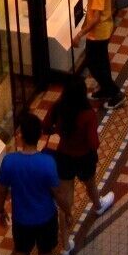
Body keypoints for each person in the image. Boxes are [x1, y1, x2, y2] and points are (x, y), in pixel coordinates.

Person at [0, 113, 65, 255]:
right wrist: (68, 211)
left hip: (22, 219)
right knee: (45, 251)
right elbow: (57, 192)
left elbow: (1, 190)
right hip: (45, 217)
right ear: (38, 136)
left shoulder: (9, 162)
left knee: (21, 253)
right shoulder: (47, 163)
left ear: (21, 136)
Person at [46, 71, 113, 235]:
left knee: (66, 194)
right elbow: (93, 142)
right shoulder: (88, 115)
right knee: (90, 185)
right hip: (84, 158)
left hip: (63, 156)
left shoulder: (58, 107)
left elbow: (46, 126)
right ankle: (98, 206)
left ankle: (66, 227)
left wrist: (58, 130)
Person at [79, 0, 122, 105]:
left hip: (98, 34)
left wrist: (80, 34)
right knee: (102, 63)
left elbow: (96, 18)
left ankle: (115, 93)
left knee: (94, 65)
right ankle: (105, 89)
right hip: (105, 29)